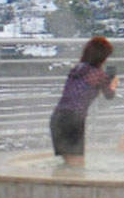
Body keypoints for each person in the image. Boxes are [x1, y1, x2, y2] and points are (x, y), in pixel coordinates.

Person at [49, 36, 118, 167]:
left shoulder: (77, 69)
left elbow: (81, 91)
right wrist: (113, 84)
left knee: (68, 164)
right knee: (77, 165)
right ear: (102, 57)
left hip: (57, 118)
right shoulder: (99, 75)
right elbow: (109, 95)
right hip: (73, 120)